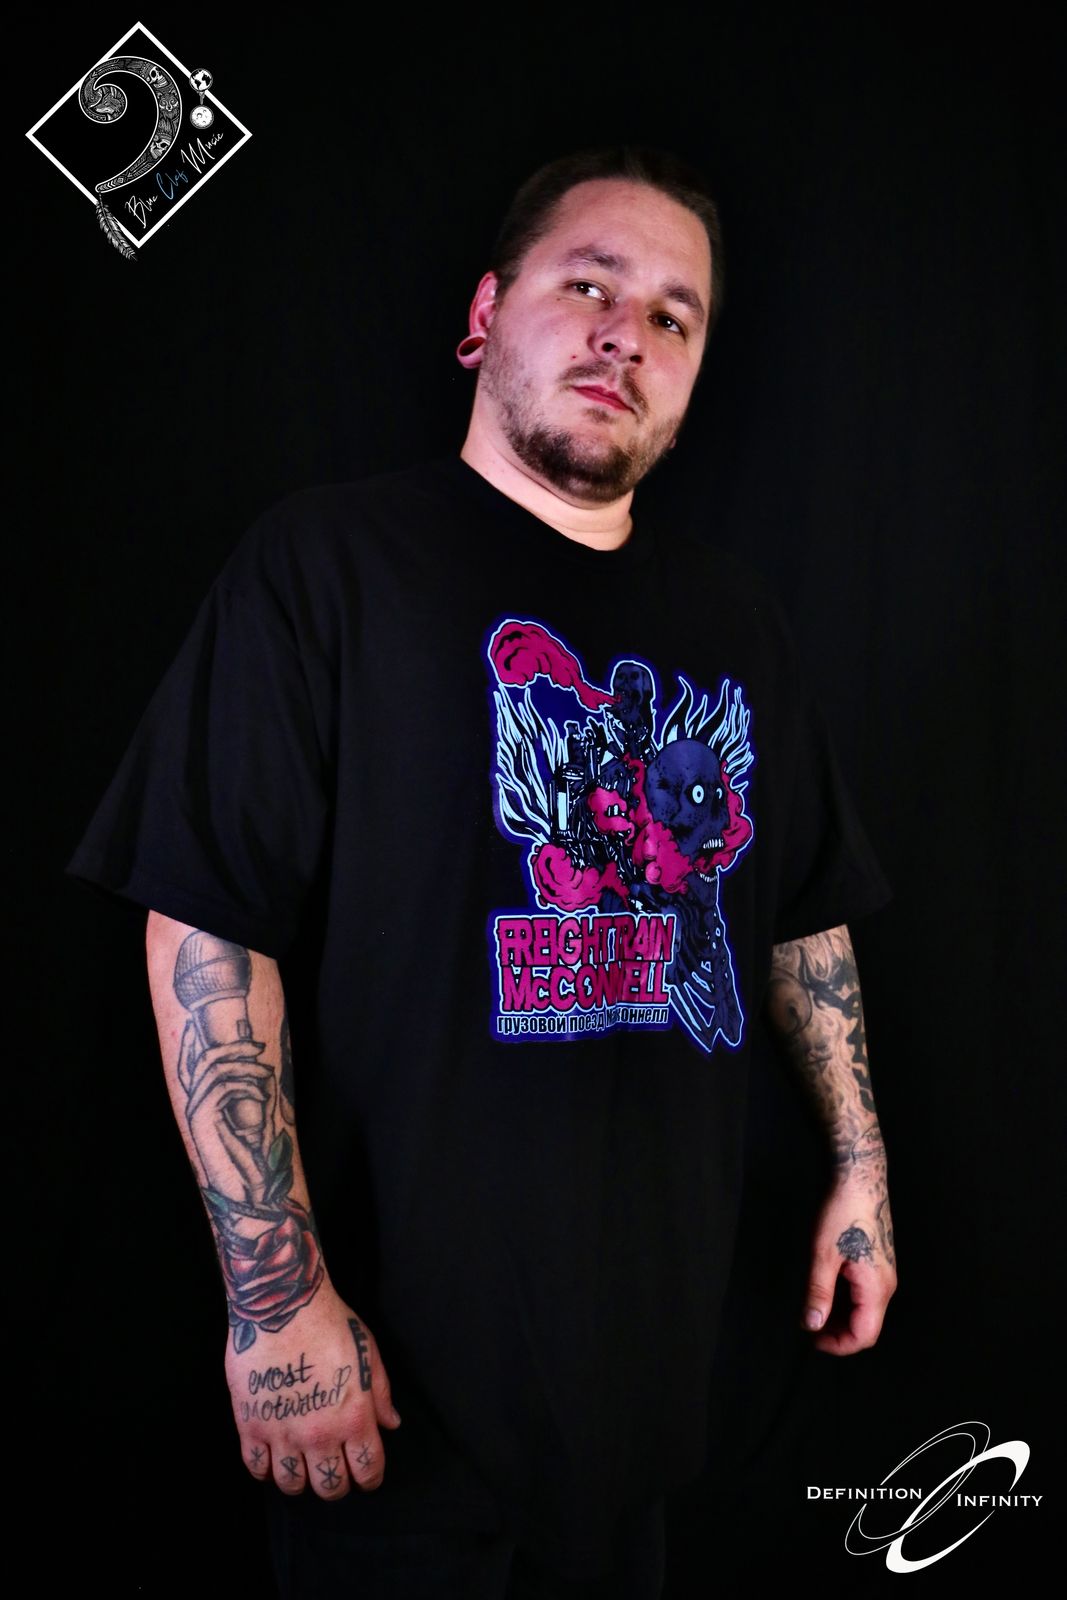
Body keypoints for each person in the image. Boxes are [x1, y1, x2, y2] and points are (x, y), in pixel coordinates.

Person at [67, 146, 896, 1598]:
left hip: (648, 1410)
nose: (626, 335)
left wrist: (861, 1166)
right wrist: (275, 1303)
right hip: (393, 1412)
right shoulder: (327, 566)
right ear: (484, 315)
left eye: (674, 317)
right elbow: (205, 925)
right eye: (589, 285)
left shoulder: (736, 621)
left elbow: (803, 917)